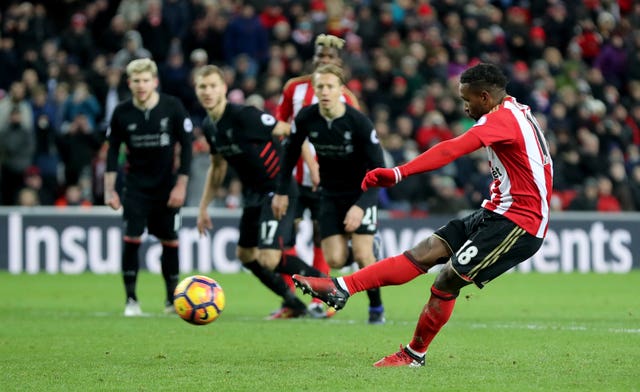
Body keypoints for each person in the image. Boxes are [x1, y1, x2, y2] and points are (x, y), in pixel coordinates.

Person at [292, 63, 553, 366]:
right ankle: (341, 288)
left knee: (446, 280)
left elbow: (451, 150)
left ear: (485, 96)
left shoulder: (502, 119)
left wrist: (398, 173)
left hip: (520, 222)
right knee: (426, 251)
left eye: (467, 100)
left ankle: (414, 354)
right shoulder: (513, 111)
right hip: (497, 209)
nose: (465, 106)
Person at [193, 64, 326, 320]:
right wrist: (202, 208)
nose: (207, 91)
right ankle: (293, 303)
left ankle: (325, 284)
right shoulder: (210, 127)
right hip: (254, 194)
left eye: (212, 86)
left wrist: (313, 168)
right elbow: (218, 167)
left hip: (278, 190)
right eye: (202, 87)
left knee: (268, 257)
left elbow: (290, 131)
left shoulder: (245, 116)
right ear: (197, 91)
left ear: (223, 88)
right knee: (246, 255)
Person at [272, 64, 387, 324]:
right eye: (320, 86)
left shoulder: (358, 122)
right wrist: (281, 192)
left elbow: (379, 171)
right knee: (334, 258)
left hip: (360, 193)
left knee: (362, 255)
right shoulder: (306, 117)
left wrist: (362, 206)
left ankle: (376, 307)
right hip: (329, 195)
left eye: (330, 86)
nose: (324, 91)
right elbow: (289, 155)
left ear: (341, 90)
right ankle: (363, 252)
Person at [275, 33, 361, 318]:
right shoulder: (294, 88)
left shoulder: (347, 98)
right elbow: (280, 125)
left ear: (339, 65)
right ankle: (292, 300)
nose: (323, 62)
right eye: (319, 57)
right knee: (281, 243)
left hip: (329, 184)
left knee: (321, 240)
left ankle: (319, 301)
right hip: (295, 179)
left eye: (330, 59)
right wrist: (306, 158)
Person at [104, 58, 193, 317]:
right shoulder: (122, 112)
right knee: (132, 240)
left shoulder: (172, 107)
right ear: (129, 83)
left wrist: (181, 186)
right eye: (136, 81)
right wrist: (110, 190)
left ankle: (171, 300)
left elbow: (187, 147)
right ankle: (131, 300)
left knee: (170, 241)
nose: (141, 85)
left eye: (145, 80)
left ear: (154, 82)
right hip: (135, 189)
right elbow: (112, 152)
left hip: (167, 188)